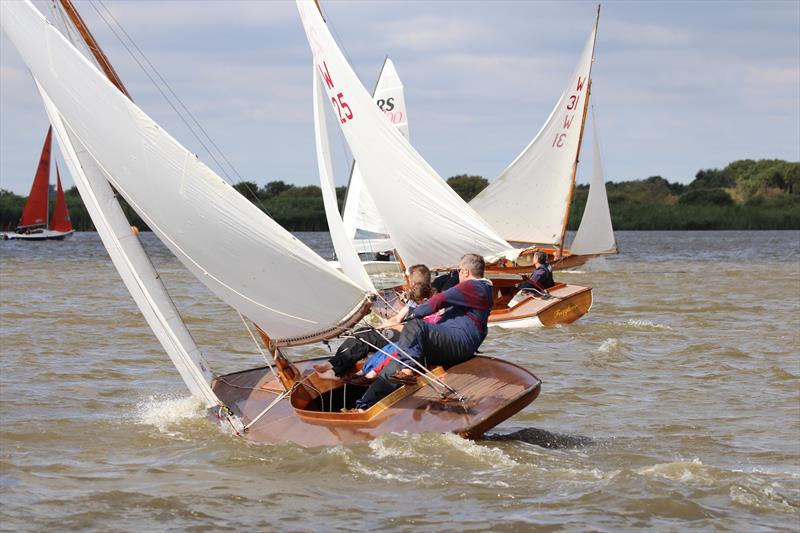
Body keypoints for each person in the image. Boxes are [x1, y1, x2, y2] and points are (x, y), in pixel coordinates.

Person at [354, 253, 493, 410]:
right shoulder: (482, 289)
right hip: (454, 342)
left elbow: (438, 300)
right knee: (395, 364)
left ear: (466, 272)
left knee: (415, 326)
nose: (457, 273)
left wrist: (408, 316)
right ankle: (363, 407)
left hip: (458, 342)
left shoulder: (474, 286)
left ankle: (407, 370)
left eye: (458, 270)